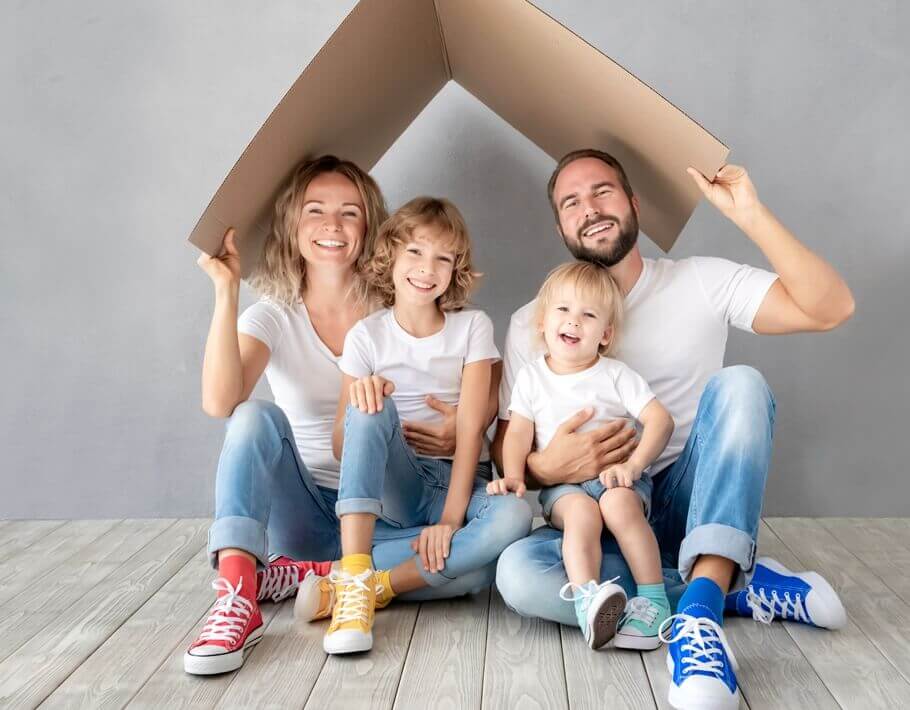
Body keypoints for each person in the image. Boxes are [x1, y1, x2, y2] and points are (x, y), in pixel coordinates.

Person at [493, 150, 852, 709]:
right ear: (561, 225)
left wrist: (750, 213)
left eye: (603, 191)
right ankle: (729, 582)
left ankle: (700, 620)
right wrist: (545, 468)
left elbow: (830, 307)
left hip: (688, 501)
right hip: (598, 517)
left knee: (741, 385)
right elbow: (510, 437)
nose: (589, 208)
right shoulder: (532, 323)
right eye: (571, 202)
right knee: (518, 573)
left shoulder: (701, 281)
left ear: (634, 204)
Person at [184, 157, 498, 676]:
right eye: (315, 211)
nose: (332, 225)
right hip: (305, 509)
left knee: (473, 571)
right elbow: (220, 402)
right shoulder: (273, 313)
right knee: (251, 419)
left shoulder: (401, 295)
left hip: (388, 513)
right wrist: (227, 290)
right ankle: (238, 596)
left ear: (371, 228)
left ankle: (320, 577)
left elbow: (487, 380)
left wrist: (465, 417)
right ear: (291, 224)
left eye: (349, 213)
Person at [319, 197, 532, 655]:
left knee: (511, 519)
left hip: (460, 481)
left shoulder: (472, 327)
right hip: (401, 482)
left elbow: (472, 431)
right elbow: (341, 443)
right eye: (414, 252)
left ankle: (367, 585)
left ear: (455, 270)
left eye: (442, 258)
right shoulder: (366, 336)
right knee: (370, 404)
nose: (426, 268)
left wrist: (452, 522)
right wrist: (364, 401)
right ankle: (357, 572)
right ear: (390, 256)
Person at [488, 261, 674, 651]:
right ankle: (589, 600)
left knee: (621, 507)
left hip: (616, 479)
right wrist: (516, 474)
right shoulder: (532, 378)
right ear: (541, 322)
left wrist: (633, 464)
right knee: (581, 514)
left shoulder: (616, 374)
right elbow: (518, 431)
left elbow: (660, 420)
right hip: (564, 488)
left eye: (588, 315)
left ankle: (654, 599)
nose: (574, 321)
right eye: (563, 310)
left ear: (605, 334)